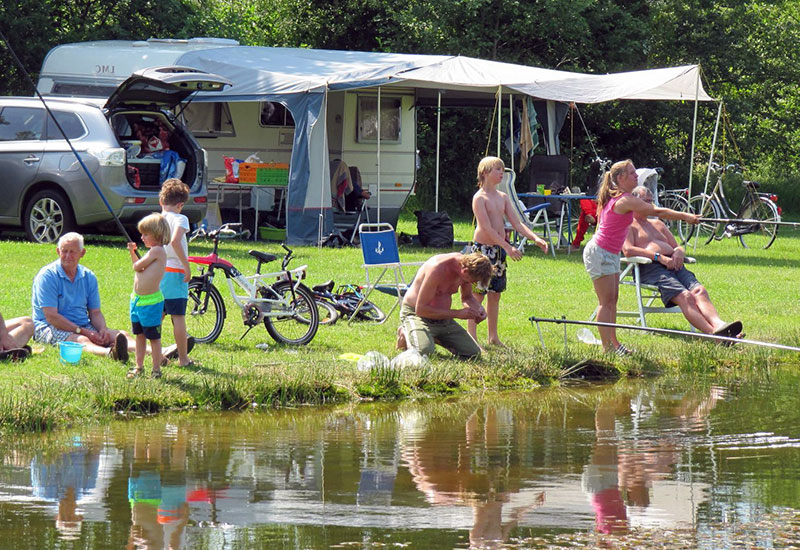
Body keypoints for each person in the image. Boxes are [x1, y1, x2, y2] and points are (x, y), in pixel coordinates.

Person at [583, 160, 699, 355]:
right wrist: (685, 216)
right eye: (632, 173)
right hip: (600, 253)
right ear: (621, 178)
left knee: (613, 301)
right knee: (606, 302)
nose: (636, 176)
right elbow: (656, 211)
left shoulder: (622, 198)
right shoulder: (624, 200)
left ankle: (614, 344)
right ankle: (607, 348)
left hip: (610, 253)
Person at [623, 185, 742, 338]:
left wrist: (679, 252)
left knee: (699, 291)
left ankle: (719, 325)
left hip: (674, 264)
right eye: (646, 201)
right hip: (650, 268)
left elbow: (677, 246)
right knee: (685, 296)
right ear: (635, 203)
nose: (650, 205)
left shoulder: (658, 224)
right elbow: (628, 250)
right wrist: (659, 257)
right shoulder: (628, 225)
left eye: (651, 201)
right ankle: (715, 335)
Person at [469, 156, 549, 347]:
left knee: (495, 293)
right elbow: (486, 228)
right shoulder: (479, 198)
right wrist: (508, 246)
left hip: (498, 251)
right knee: (478, 294)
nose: (501, 173)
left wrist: (535, 238)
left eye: (502, 169)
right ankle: (472, 337)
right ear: (485, 172)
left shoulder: (503, 197)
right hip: (482, 251)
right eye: (497, 169)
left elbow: (517, 223)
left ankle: (493, 337)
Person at [32, 232, 132, 362]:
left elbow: (95, 312)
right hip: (48, 327)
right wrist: (84, 332)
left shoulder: (88, 276)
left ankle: (154, 351)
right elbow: (51, 317)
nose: (67, 256)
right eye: (64, 251)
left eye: (72, 252)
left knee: (120, 335)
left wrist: (102, 329)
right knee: (80, 339)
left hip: (82, 325)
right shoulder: (47, 276)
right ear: (58, 251)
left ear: (82, 253)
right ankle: (110, 353)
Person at [397, 252, 493, 359]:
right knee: (423, 353)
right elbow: (421, 309)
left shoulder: (467, 270)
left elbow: (467, 297)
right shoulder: (437, 269)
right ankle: (405, 332)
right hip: (416, 314)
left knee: (473, 353)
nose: (473, 283)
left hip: (442, 319)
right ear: (465, 271)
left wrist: (478, 308)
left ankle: (431, 336)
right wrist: (457, 314)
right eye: (473, 281)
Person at [126, 214, 171, 379]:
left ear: (157, 234)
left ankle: (156, 370)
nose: (142, 237)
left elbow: (137, 266)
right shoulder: (152, 253)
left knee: (153, 338)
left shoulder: (157, 251)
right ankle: (139, 367)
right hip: (138, 301)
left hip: (151, 303)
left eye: (146, 234)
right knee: (139, 335)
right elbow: (139, 267)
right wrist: (133, 252)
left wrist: (134, 254)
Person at [159, 178, 196, 367]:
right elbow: (175, 242)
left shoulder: (157, 219)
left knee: (158, 315)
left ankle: (156, 354)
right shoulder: (181, 219)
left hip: (158, 271)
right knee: (178, 316)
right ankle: (183, 359)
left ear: (161, 201)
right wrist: (186, 266)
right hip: (175, 271)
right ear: (180, 204)